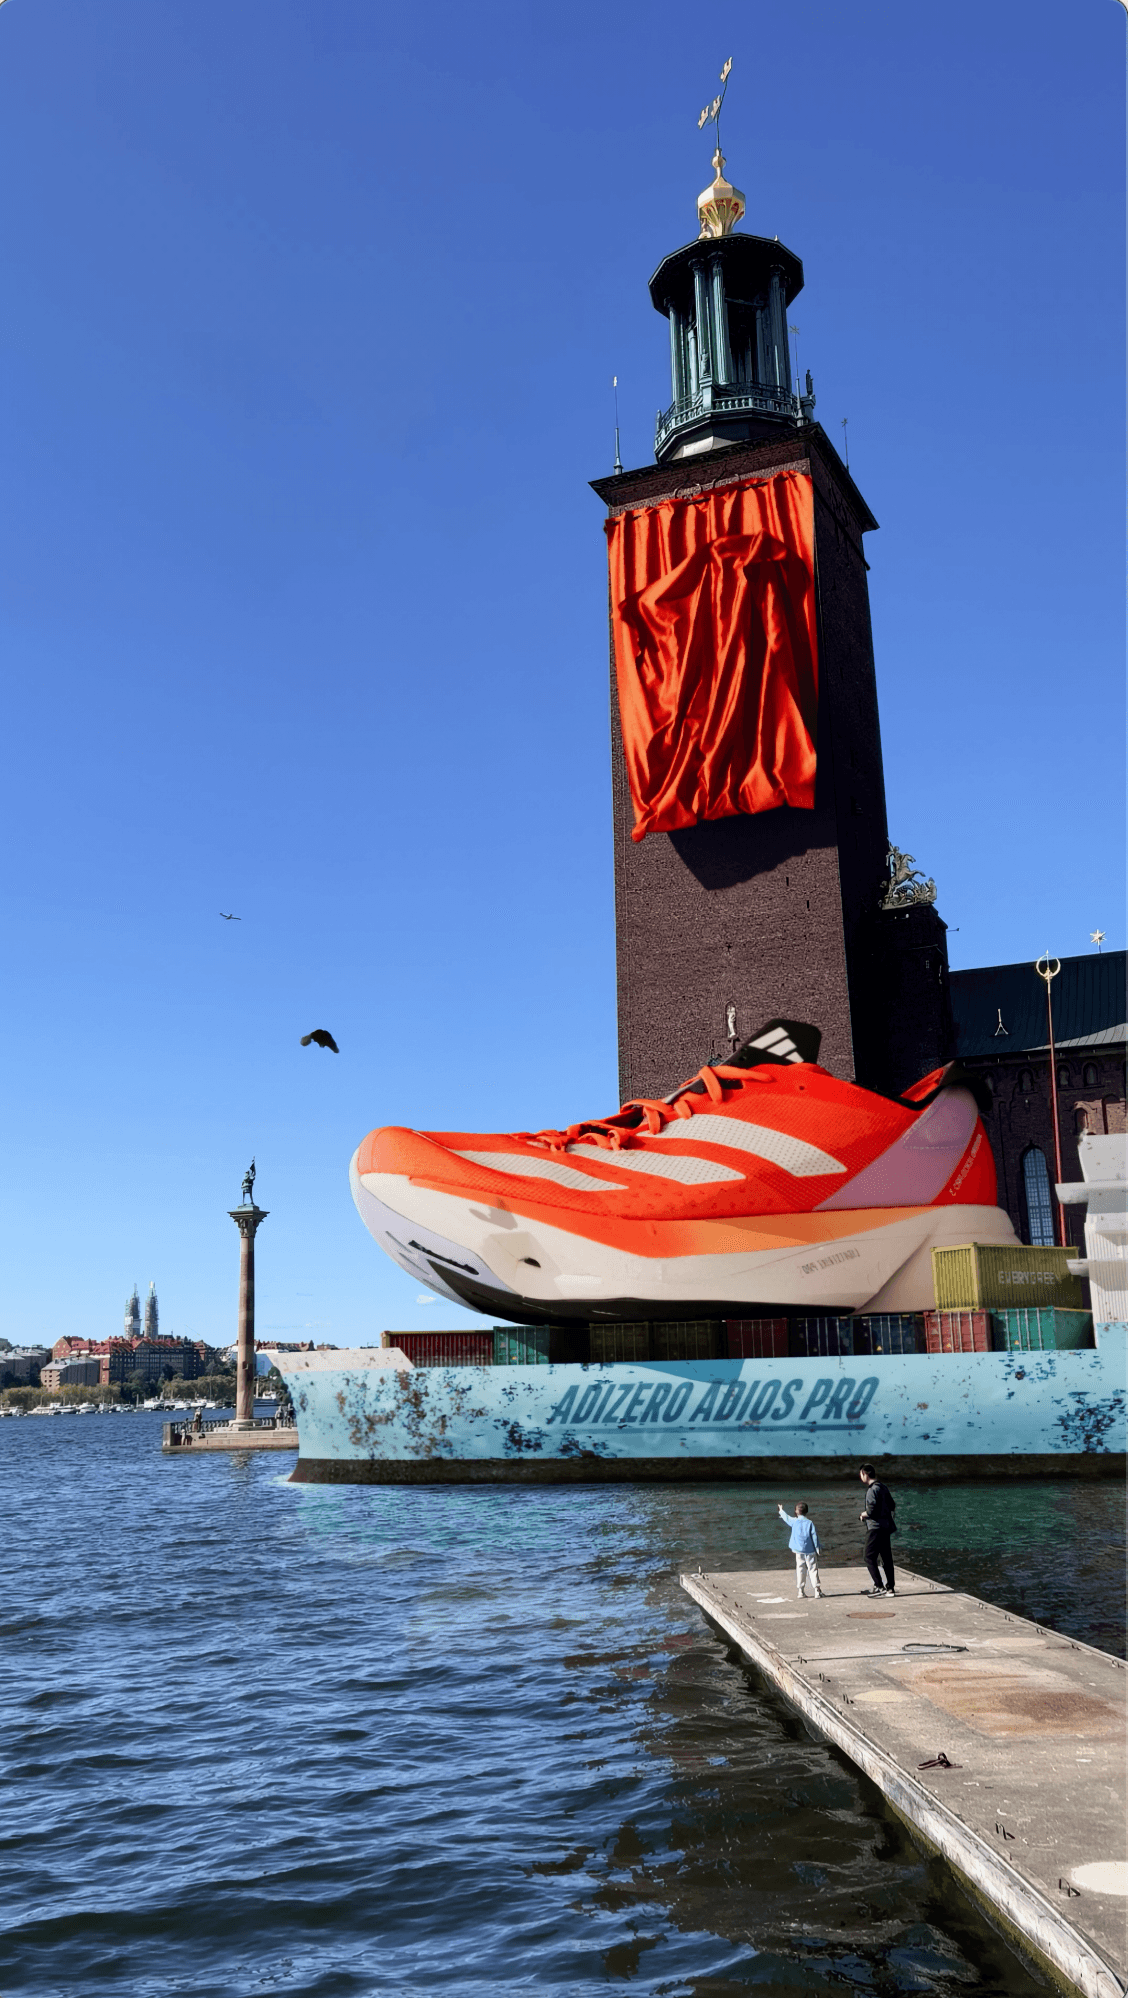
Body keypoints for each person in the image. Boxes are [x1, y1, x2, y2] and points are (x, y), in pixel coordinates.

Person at [858, 1464, 896, 1596]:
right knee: (886, 1558)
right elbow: (892, 1505)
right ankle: (890, 1588)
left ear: (865, 1474)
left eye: (861, 1474)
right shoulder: (883, 1487)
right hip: (886, 1527)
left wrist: (863, 1515)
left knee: (868, 1557)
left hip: (874, 1529)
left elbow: (871, 1511)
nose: (860, 1476)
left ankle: (879, 1586)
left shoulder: (871, 1490)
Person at [777, 1500, 824, 1598]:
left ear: (796, 1511)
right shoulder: (810, 1523)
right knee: (813, 1570)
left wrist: (781, 1510)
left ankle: (801, 1591)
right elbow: (814, 1536)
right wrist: (817, 1547)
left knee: (800, 1569)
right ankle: (817, 1591)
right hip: (810, 1550)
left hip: (798, 1551)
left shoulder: (794, 1521)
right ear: (806, 1511)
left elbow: (786, 1518)